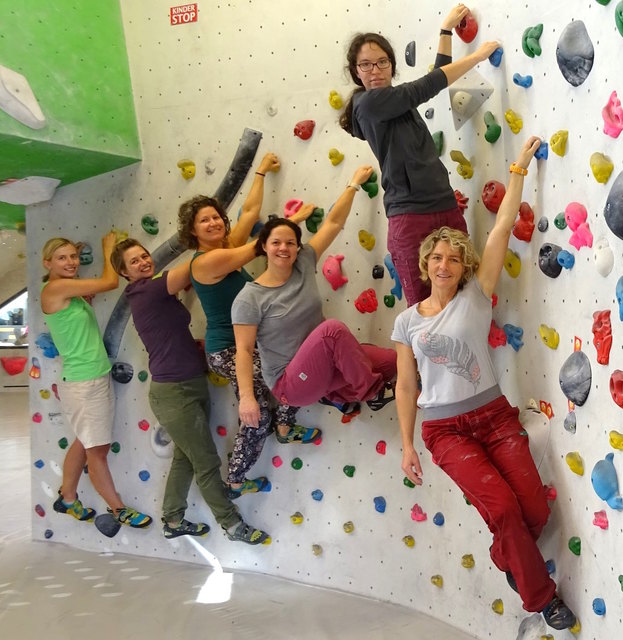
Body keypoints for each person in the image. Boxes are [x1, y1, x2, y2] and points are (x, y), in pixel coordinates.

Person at [391, 137, 577, 632]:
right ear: (426, 264)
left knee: (532, 508)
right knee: (504, 511)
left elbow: (499, 231)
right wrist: (407, 443)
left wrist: (517, 169)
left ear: (462, 266)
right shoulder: (407, 321)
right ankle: (543, 599)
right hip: (445, 432)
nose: (445, 265)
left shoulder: (477, 294)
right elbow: (406, 388)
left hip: (495, 417)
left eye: (454, 259)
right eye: (437, 259)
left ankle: (508, 558)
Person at [179, 152, 320, 501]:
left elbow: (250, 215)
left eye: (215, 218)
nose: (213, 223)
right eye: (204, 221)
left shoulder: (225, 246)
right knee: (260, 404)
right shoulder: (208, 260)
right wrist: (290, 228)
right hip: (226, 349)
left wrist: (260, 172)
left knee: (287, 368)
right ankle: (237, 479)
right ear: (192, 231)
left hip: (248, 344)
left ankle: (283, 427)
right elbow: (261, 245)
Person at [110, 239, 269, 545]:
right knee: (206, 462)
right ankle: (232, 525)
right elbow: (196, 267)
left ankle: (172, 520)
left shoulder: (156, 292)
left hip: (192, 383)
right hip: (173, 392)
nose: (144, 262)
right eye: (134, 262)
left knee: (185, 457)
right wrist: (216, 244)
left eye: (145, 255)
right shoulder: (145, 290)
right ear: (123, 272)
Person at [339, 4, 500, 306]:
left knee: (464, 299)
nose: (375, 70)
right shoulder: (368, 104)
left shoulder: (397, 101)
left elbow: (436, 78)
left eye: (382, 62)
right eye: (366, 65)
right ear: (355, 72)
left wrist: (445, 31)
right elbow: (430, 83)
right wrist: (477, 57)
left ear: (392, 65)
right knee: (424, 308)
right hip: (410, 216)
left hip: (444, 204)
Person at [231, 165, 397, 429]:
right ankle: (372, 393)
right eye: (276, 243)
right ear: (263, 246)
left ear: (298, 247)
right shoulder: (249, 298)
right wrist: (247, 398)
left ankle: (337, 394)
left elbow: (333, 223)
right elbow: (244, 350)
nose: (283, 248)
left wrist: (353, 184)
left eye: (290, 243)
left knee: (391, 361)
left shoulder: (304, 261)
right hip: (290, 383)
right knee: (331, 330)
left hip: (324, 367)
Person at [41, 233, 152, 530]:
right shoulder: (56, 288)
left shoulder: (67, 291)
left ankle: (67, 499)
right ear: (47, 263)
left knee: (84, 441)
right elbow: (110, 282)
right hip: (84, 383)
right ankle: (118, 510)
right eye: (62, 257)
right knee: (97, 451)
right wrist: (107, 249)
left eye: (73, 257)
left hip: (90, 378)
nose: (70, 262)